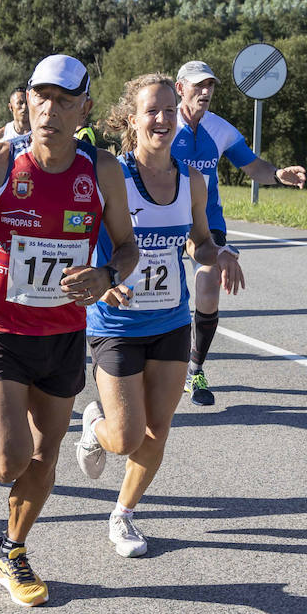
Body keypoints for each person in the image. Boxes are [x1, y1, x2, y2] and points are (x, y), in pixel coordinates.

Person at [0, 54, 138, 605]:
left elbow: (129, 247)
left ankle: (11, 550)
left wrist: (107, 273)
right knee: (13, 455)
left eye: (65, 100)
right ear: (28, 99)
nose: (50, 109)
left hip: (64, 333)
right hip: (0, 328)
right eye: (42, 96)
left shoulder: (103, 170)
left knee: (46, 457)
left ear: (85, 108)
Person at [75, 74, 244, 557]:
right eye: (153, 111)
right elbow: (80, 231)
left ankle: (123, 515)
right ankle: (93, 427)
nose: (164, 119)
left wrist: (221, 253)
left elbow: (198, 242)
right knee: (126, 435)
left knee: (158, 429)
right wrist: (99, 281)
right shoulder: (113, 176)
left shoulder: (192, 179)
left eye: (170, 110)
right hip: (117, 323)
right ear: (133, 120)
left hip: (170, 319)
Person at [171, 60, 305, 406]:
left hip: (207, 218)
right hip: (165, 217)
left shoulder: (220, 130)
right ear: (179, 88)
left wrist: (278, 175)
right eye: (198, 85)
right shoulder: (161, 125)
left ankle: (194, 368)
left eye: (210, 86)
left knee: (208, 283)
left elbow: (253, 166)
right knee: (165, 293)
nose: (205, 92)